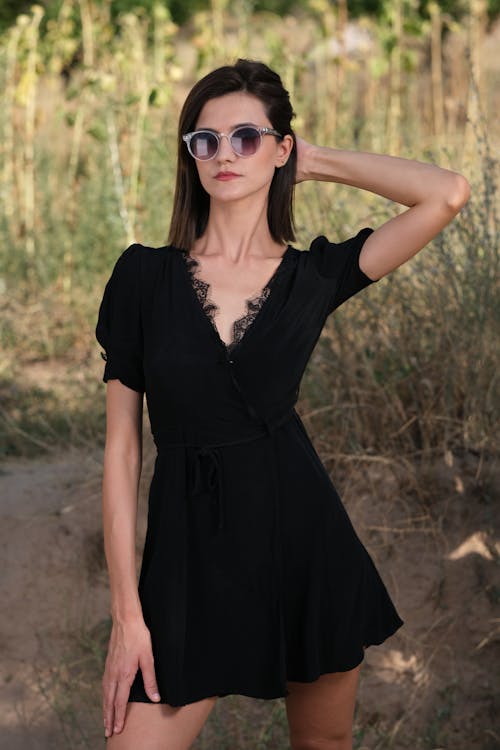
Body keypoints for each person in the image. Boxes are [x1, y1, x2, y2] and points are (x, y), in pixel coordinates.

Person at [95, 58, 470, 749]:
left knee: (322, 745)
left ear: (280, 149)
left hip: (303, 544)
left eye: (246, 137)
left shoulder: (312, 277)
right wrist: (128, 615)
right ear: (190, 157)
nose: (224, 154)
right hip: (188, 558)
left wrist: (313, 158)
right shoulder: (142, 278)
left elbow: (446, 194)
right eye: (204, 141)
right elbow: (121, 450)